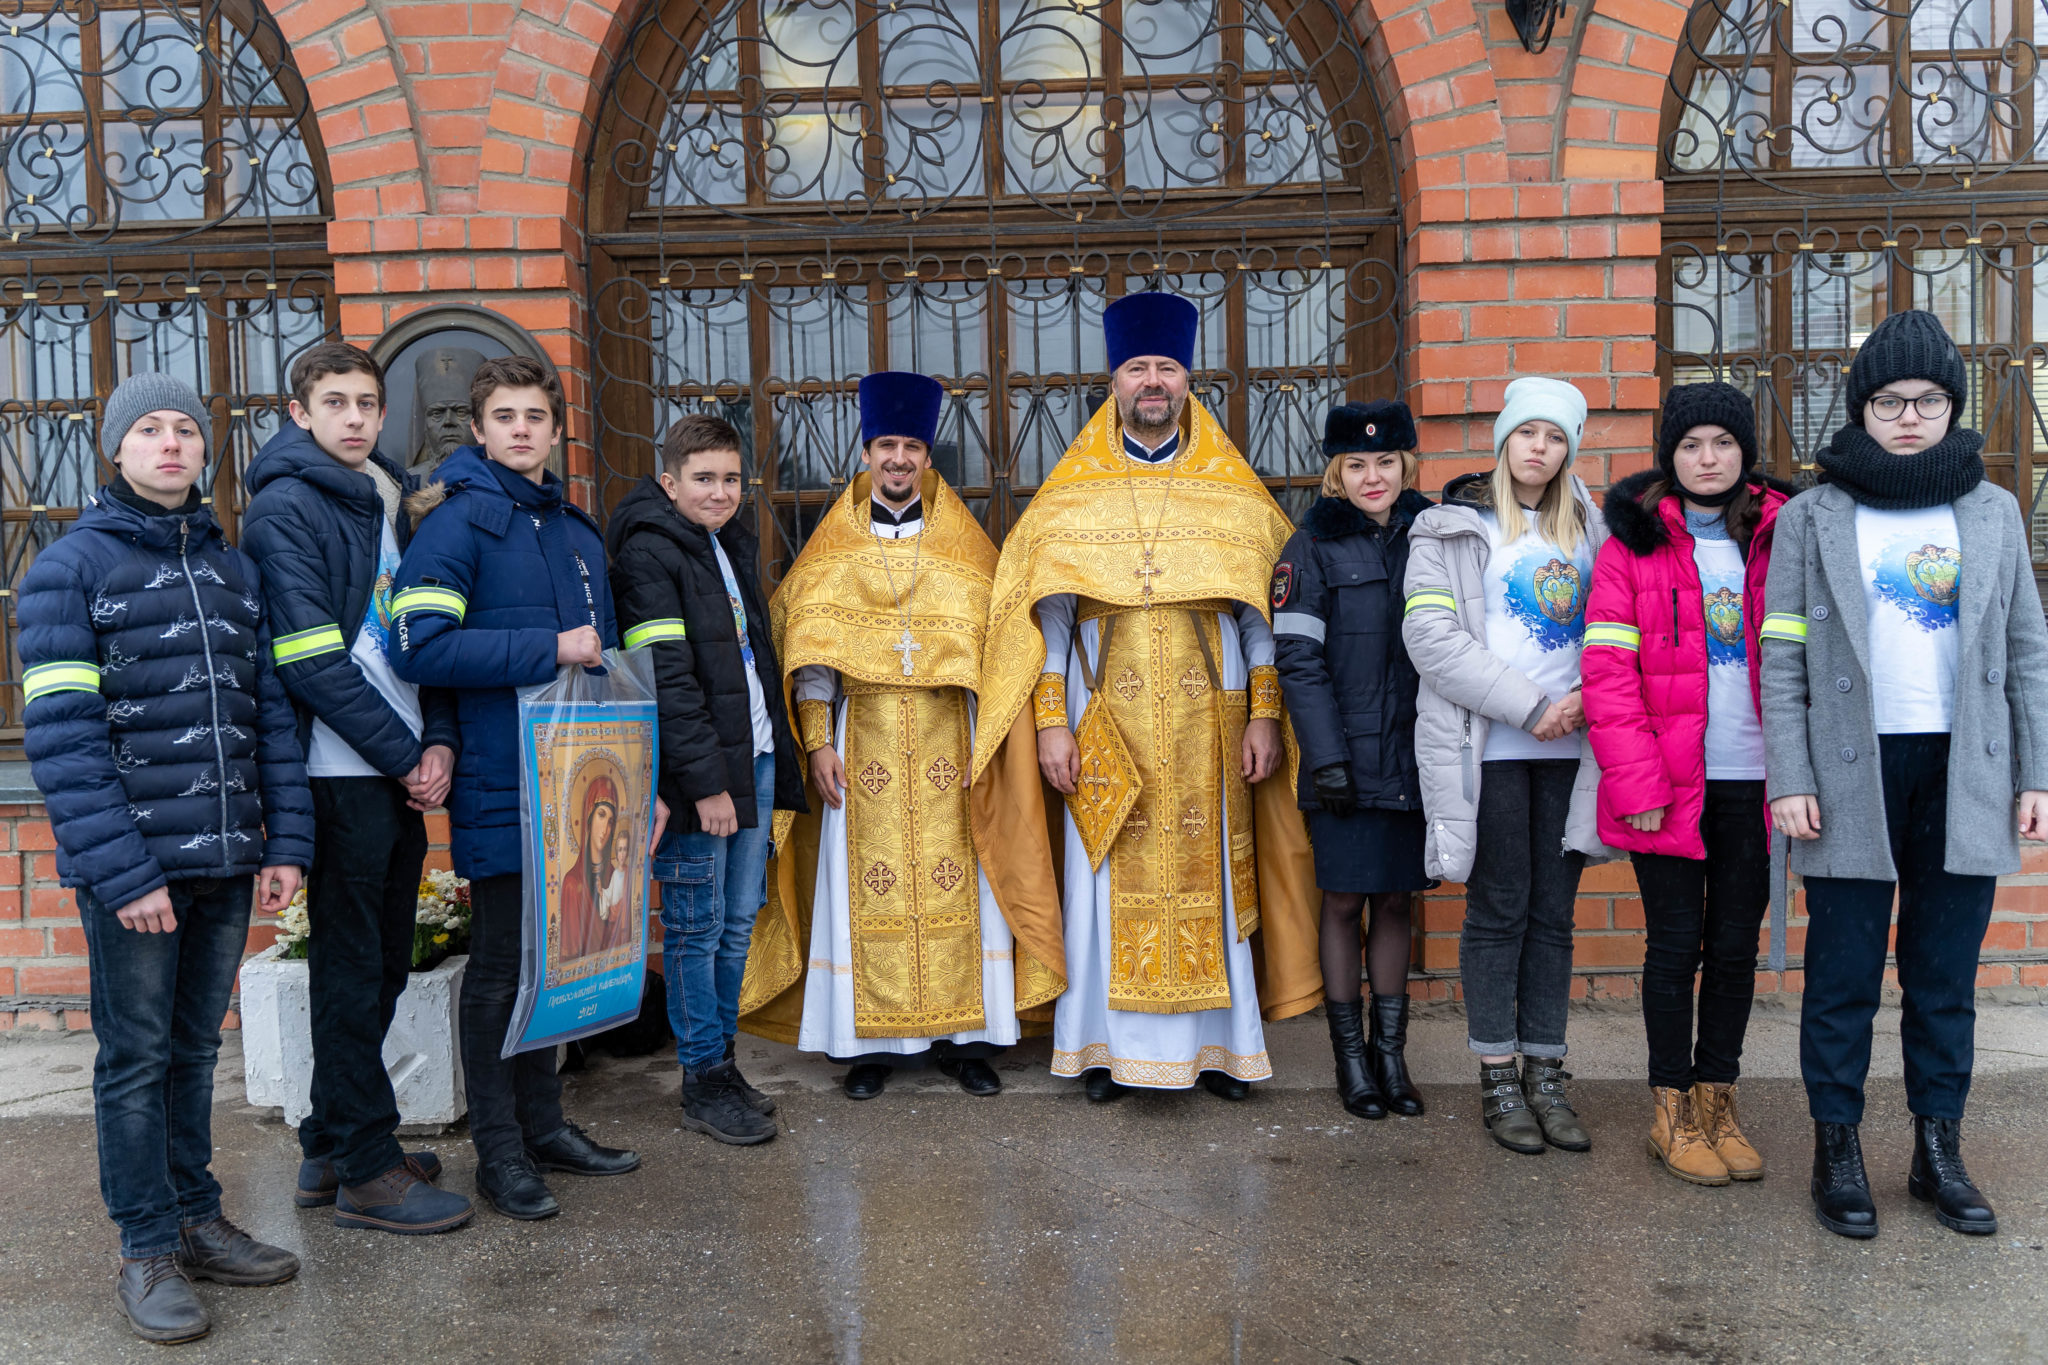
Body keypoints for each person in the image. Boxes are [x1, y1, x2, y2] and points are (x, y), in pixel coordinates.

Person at [18, 372, 314, 1343]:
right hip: (136, 868)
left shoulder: (230, 569)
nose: (171, 443)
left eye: (186, 427)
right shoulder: (70, 569)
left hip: (228, 858)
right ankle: (144, 1247)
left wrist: (284, 842)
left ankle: (195, 1217)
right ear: (116, 449)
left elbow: (270, 714)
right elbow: (62, 737)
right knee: (137, 1060)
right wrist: (126, 873)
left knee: (194, 1052)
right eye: (149, 428)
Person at [972, 291, 1321, 1101]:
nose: (1153, 381)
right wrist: (1051, 725)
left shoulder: (1233, 496)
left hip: (1211, 723)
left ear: (1188, 379)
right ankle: (1105, 1052)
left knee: (1215, 879)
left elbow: (1258, 614)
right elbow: (1046, 620)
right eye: (1138, 368)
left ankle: (1220, 1053)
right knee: (1104, 884)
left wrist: (1266, 711)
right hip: (1106, 721)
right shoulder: (1069, 497)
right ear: (1114, 379)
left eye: (1167, 367)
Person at [1760, 308, 2048, 1239]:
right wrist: (1790, 775)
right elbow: (1783, 659)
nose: (1910, 416)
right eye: (1890, 400)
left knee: (1942, 974)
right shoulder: (1813, 516)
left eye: (1928, 399)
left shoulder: (1992, 509)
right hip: (1849, 770)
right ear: (1861, 407)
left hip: (1965, 765)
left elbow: (2028, 649)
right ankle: (1836, 1147)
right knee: (1841, 971)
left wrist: (2035, 772)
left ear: (1953, 406)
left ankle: (1938, 1150)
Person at [741, 372, 1063, 1100]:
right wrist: (819, 740)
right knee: (868, 891)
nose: (897, 458)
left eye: (911, 446)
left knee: (964, 888)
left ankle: (965, 1038)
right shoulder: (832, 551)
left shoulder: (966, 549)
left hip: (952, 742)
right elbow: (811, 656)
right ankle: (867, 1047)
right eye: (886, 444)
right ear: (866, 453)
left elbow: (1005, 643)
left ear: (927, 455)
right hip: (866, 745)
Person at [387, 355, 643, 1219]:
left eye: (536, 416)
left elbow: (607, 667)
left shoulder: (576, 531)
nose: (523, 430)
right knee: (501, 969)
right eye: (506, 417)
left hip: (580, 786)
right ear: (481, 427)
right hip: (504, 781)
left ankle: (545, 1126)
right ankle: (499, 1153)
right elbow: (417, 648)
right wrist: (549, 647)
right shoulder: (457, 525)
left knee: (558, 962)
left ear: (554, 427)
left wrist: (638, 787)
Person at [239, 340, 474, 1235]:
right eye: (333, 402)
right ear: (298, 413)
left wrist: (439, 738)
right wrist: (406, 755)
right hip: (338, 776)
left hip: (392, 767)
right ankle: (368, 1172)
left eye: (366, 402)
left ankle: (328, 1141)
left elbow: (418, 635)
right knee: (348, 969)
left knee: (376, 964)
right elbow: (312, 662)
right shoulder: (285, 507)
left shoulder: (388, 492)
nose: (352, 417)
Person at [1582, 381, 1794, 1187]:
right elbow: (1606, 672)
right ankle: (1669, 1106)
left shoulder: (1781, 533)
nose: (1708, 459)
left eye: (1723, 444)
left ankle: (1718, 1098)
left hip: (1755, 780)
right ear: (1670, 457)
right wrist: (1634, 779)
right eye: (1691, 445)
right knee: (1675, 944)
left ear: (1745, 454)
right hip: (1666, 783)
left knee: (1735, 945)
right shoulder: (1630, 546)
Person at [1403, 375, 1613, 1155]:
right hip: (1487, 749)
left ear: (1569, 450)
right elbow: (1432, 643)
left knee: (1553, 915)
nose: (1540, 447)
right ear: (1503, 439)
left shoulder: (1593, 531)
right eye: (1528, 432)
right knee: (1498, 909)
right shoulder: (1449, 530)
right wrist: (1532, 706)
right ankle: (1498, 1074)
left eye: (1556, 437)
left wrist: (1589, 696)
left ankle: (1547, 1074)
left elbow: (1623, 625)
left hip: (1572, 750)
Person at [606, 413, 807, 1145]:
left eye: (730, 479)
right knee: (694, 927)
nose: (720, 492)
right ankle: (700, 1079)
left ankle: (721, 1062)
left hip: (746, 758)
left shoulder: (720, 544)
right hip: (700, 776)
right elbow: (668, 678)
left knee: (734, 925)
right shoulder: (651, 553)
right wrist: (704, 783)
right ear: (669, 481)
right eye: (703, 478)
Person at [1273, 400, 1435, 1120]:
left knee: (1396, 899)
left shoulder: (1432, 536)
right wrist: (1327, 757)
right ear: (1338, 471)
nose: (1375, 476)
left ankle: (1390, 1056)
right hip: (1341, 761)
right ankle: (1351, 1062)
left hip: (1413, 755)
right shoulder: (1309, 546)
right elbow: (1298, 660)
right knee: (1342, 902)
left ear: (1407, 465)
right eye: (1359, 464)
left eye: (1387, 462)